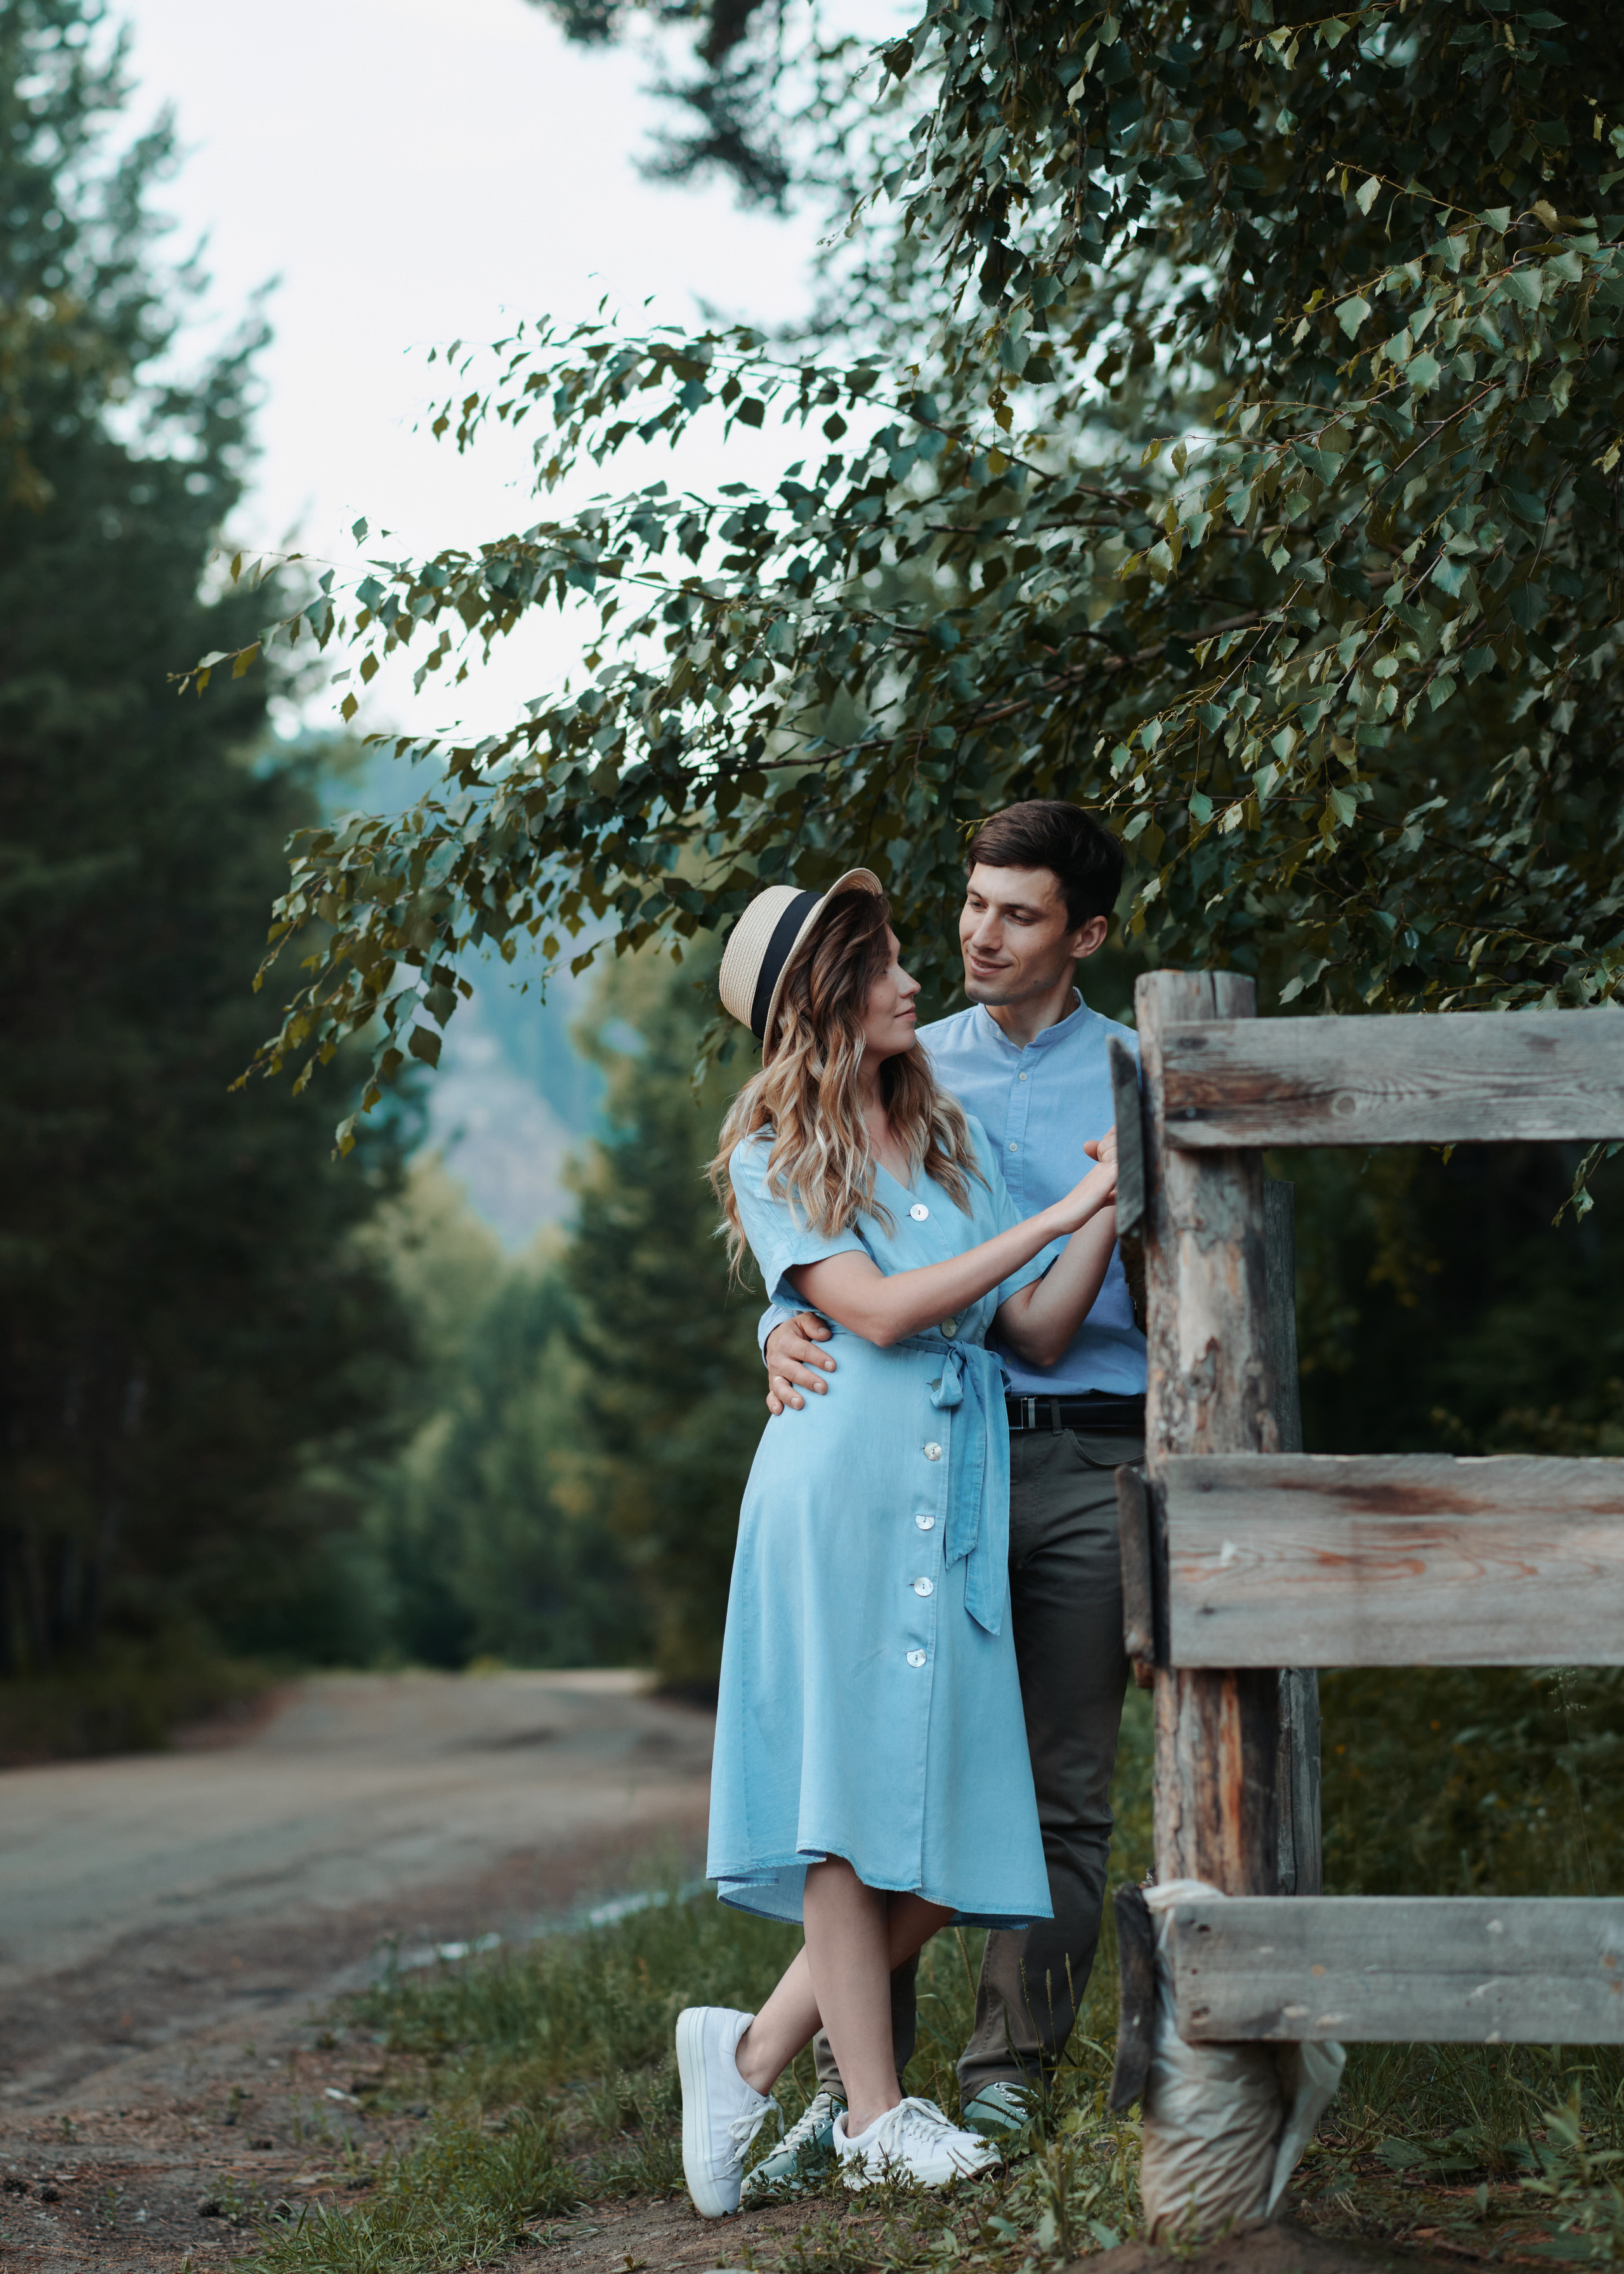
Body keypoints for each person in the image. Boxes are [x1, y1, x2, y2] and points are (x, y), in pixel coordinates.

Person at [676, 868, 1121, 2217]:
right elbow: (870, 1312)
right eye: (879, 968)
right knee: (845, 1811)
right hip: (840, 1490)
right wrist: (1049, 1219)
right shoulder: (768, 1148)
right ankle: (872, 2116)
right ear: (825, 996)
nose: (914, 980)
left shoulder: (940, 1137)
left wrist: (1107, 1194)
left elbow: (1032, 1330)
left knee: (964, 1825)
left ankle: (748, 2049)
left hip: (954, 1489)